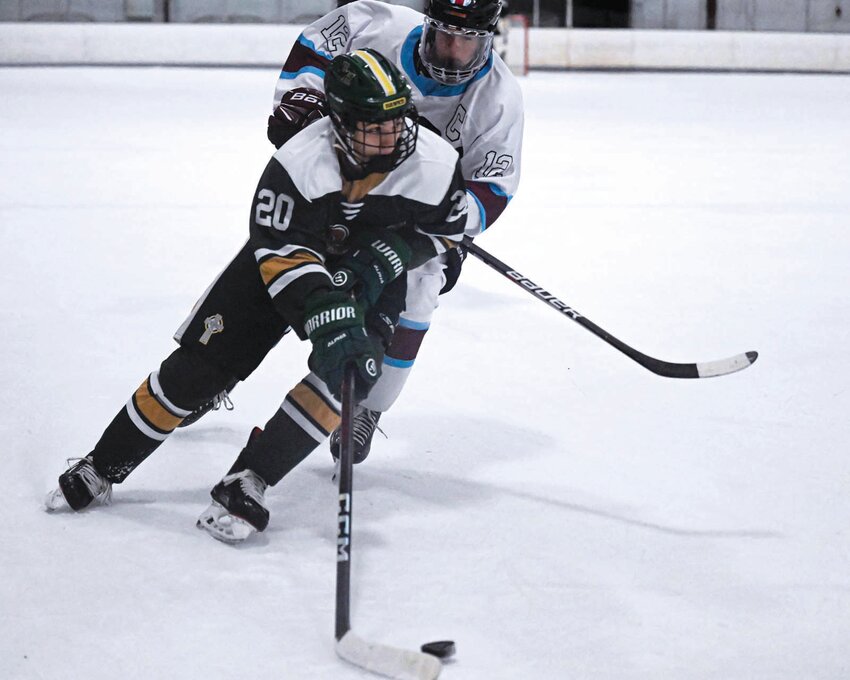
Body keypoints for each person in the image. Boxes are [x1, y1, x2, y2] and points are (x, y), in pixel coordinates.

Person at [45, 49, 468, 542]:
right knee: (195, 371)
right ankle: (103, 464)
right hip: (285, 268)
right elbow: (282, 258)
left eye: (396, 123)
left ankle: (250, 478)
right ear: (339, 122)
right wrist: (329, 318)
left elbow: (448, 233)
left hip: (373, 277)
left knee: (347, 374)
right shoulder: (298, 164)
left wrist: (388, 255)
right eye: (373, 127)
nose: (390, 137)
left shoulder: (435, 162)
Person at [189, 0, 524, 467]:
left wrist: (448, 225)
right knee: (278, 257)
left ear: (490, 38)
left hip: (408, 215)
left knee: (421, 287)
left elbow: (492, 186)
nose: (452, 51)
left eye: (466, 41)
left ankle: (366, 407)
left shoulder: (499, 98)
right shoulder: (377, 21)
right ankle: (213, 369)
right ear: (428, 23)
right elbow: (314, 46)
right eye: (445, 34)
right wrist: (300, 98)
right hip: (340, 182)